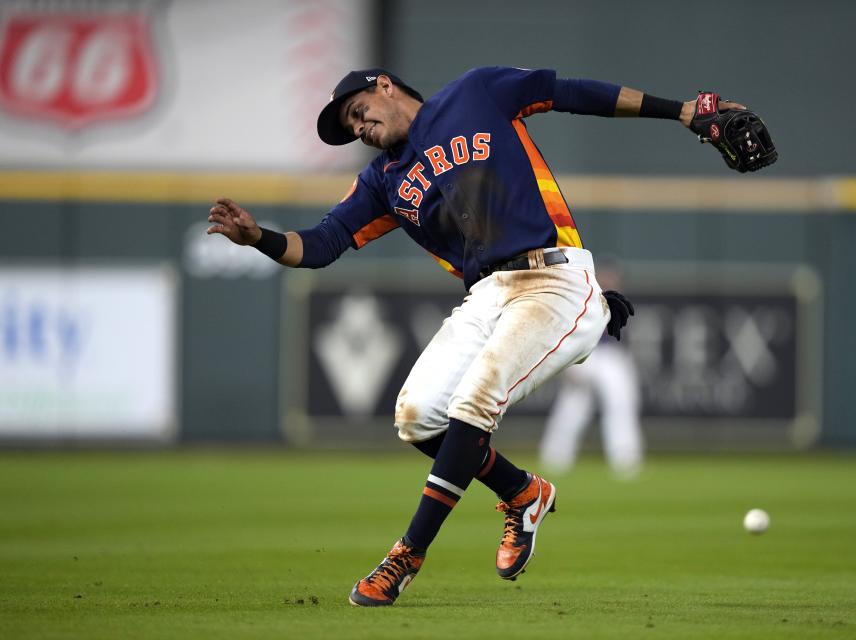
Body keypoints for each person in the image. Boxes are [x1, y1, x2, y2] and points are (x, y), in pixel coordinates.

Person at [207, 66, 745, 607]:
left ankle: (406, 555)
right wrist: (259, 238)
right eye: (350, 127)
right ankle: (522, 492)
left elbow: (572, 93)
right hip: (487, 294)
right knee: (416, 418)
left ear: (384, 86)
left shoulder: (476, 93)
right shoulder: (383, 178)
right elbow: (321, 244)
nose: (359, 127)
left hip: (554, 278)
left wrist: (680, 110)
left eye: (357, 111)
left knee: (472, 403)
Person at [540, 260, 644, 478]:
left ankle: (625, 459)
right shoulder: (581, 297)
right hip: (585, 356)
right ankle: (555, 457)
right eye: (604, 277)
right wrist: (567, 362)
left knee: (620, 404)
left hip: (611, 356)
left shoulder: (618, 300)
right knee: (572, 407)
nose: (607, 280)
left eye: (611, 277)